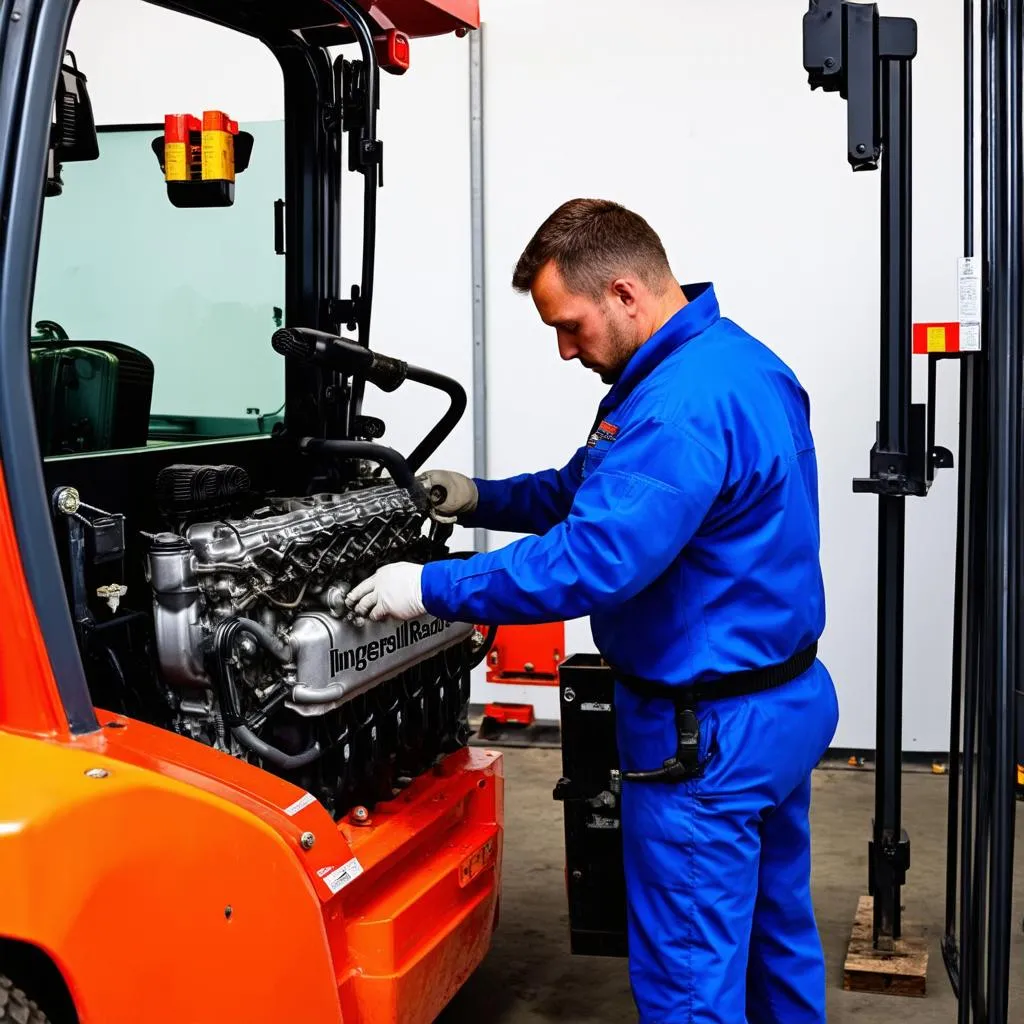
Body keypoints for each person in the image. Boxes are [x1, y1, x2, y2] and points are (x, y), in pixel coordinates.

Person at [345, 198, 840, 1023]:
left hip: (704, 740)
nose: (566, 349)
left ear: (623, 293)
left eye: (570, 325)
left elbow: (594, 557)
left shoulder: (676, 409)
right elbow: (591, 492)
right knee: (771, 936)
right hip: (781, 705)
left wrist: (428, 586)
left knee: (689, 981)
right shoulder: (729, 364)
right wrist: (478, 499)